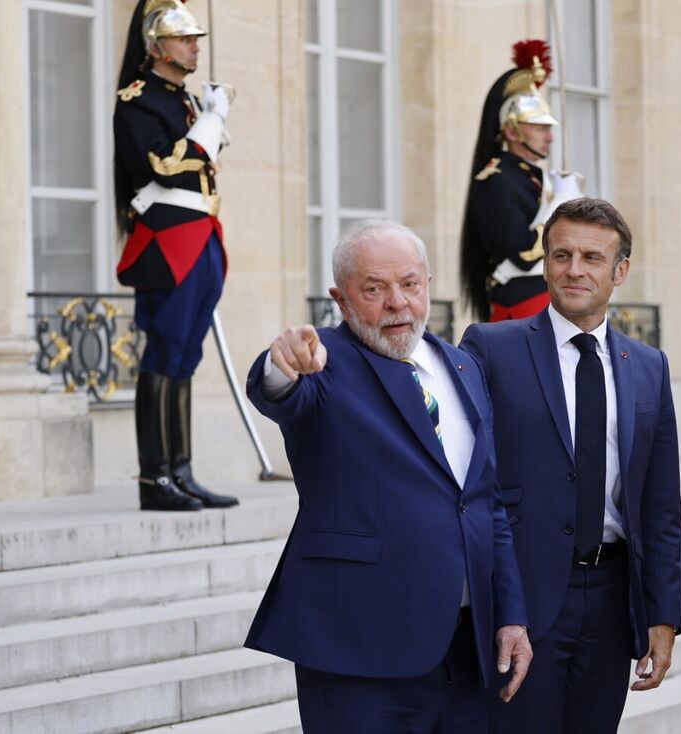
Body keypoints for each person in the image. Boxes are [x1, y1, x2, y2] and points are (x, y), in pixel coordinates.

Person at [244, 220, 532, 733]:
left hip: (467, 654)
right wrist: (279, 364)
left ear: (428, 282)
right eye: (374, 289)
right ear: (341, 298)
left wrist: (511, 613)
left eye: (410, 284)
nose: (397, 303)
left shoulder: (464, 367)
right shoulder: (324, 366)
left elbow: (487, 505)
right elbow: (281, 393)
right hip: (357, 653)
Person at [461, 197, 681, 733]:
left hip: (611, 598)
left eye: (591, 257)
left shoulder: (649, 367)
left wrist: (663, 614)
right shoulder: (491, 348)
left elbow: (659, 503)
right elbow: (472, 486)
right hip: (522, 595)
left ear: (620, 270)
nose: (574, 269)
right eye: (561, 255)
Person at [114, 0, 237, 511]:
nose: (195, 46)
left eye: (195, 38)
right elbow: (165, 165)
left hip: (200, 233)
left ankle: (181, 471)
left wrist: (206, 117)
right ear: (155, 46)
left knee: (186, 355)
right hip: (167, 239)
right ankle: (154, 478)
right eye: (184, 38)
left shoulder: (182, 100)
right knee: (164, 351)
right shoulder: (138, 99)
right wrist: (211, 123)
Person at [461, 40, 561, 323]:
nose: (549, 136)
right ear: (512, 131)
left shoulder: (533, 177)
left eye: (547, 127)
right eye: (538, 127)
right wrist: (562, 212)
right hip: (522, 302)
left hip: (548, 298)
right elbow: (524, 251)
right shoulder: (496, 180)